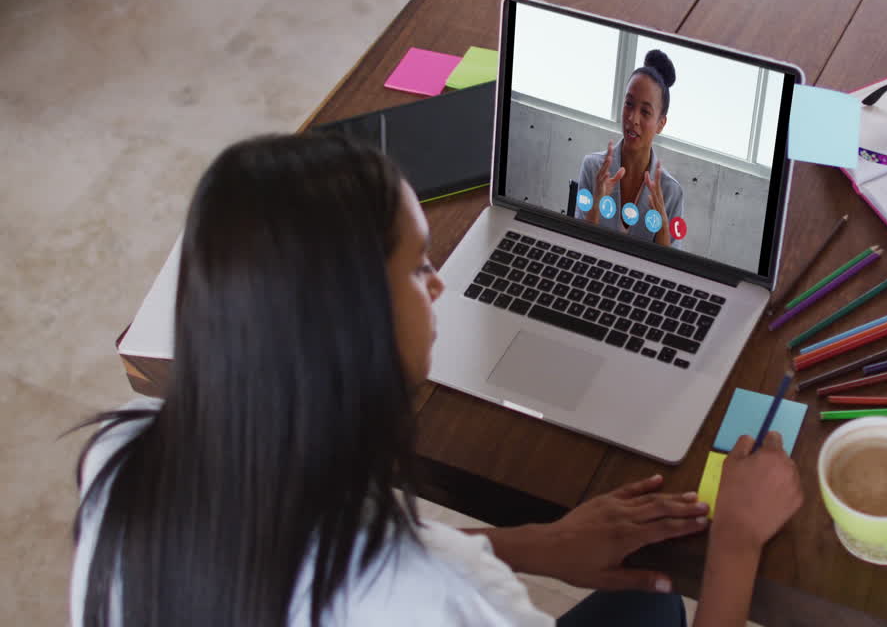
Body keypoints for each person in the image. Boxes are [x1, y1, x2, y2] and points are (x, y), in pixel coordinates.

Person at [71, 133, 802, 627]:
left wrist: (534, 545)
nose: (441, 286)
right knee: (661, 604)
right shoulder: (443, 601)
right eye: (420, 267)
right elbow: (412, 581)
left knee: (645, 606)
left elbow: (323, 551)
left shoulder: (122, 461)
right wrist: (735, 540)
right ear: (358, 328)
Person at [575, 49, 684, 247]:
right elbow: (577, 247)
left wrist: (662, 225)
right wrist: (596, 207)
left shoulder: (671, 192)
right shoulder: (593, 168)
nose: (633, 119)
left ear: (661, 124)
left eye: (645, 112)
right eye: (629, 104)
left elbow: (669, 269)